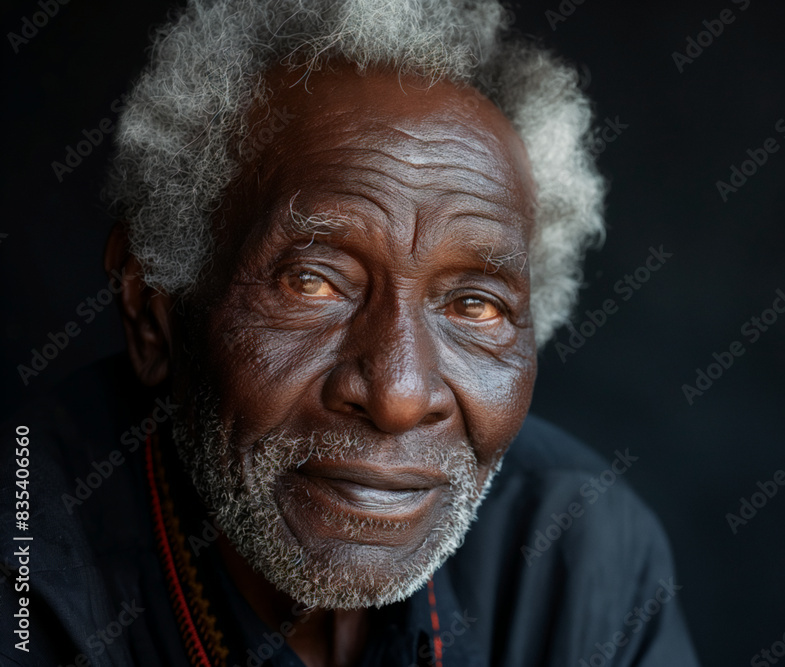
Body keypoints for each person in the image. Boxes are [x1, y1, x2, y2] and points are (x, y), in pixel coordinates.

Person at [0, 1, 699, 665]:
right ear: (154, 314)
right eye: (314, 283)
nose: (398, 395)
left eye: (475, 305)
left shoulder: (585, 558)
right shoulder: (26, 569)